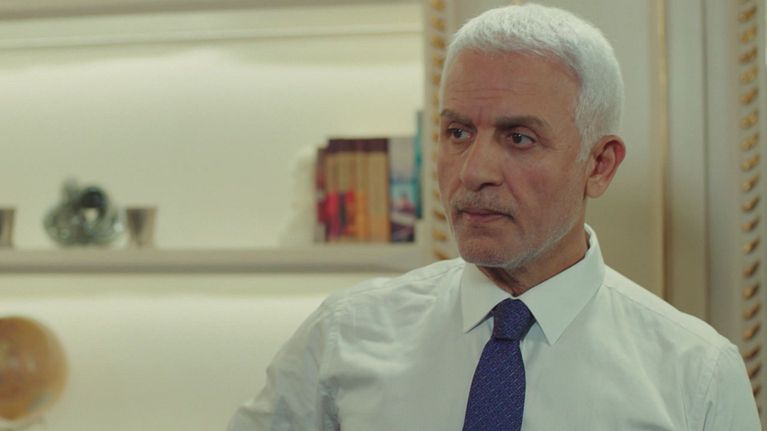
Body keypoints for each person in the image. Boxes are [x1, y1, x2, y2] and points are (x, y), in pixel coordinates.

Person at [228, 3, 762, 430]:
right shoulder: (344, 336)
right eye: (458, 132)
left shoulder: (697, 376)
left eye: (519, 138)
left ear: (598, 165)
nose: (474, 171)